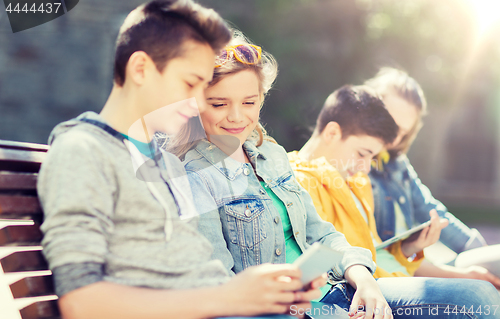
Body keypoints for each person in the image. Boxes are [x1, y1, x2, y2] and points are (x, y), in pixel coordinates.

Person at [38, 1, 324, 318]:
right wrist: (230, 298)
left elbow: (197, 272)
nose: (199, 102)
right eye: (190, 84)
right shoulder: (83, 150)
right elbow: (81, 303)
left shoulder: (166, 164)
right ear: (140, 69)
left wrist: (272, 292)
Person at [176, 33, 394, 319]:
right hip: (291, 311)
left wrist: (363, 278)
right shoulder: (194, 179)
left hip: (338, 288)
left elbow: (322, 233)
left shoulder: (273, 156)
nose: (237, 116)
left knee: (470, 296)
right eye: (219, 104)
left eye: (249, 103)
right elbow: (220, 289)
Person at [288, 84, 500, 318]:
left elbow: (374, 250)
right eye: (362, 154)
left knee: (480, 292)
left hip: (385, 280)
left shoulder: (357, 182)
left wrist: (408, 249)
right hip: (353, 290)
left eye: (372, 157)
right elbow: (326, 262)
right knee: (476, 297)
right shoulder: (298, 181)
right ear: (331, 133)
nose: (367, 167)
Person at [365, 67, 500, 288]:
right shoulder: (353, 168)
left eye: (402, 131)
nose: (393, 136)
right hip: (393, 276)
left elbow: (432, 210)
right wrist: (463, 276)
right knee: (479, 288)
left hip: (413, 266)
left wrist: (476, 249)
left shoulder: (397, 164)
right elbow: (382, 256)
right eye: (388, 122)